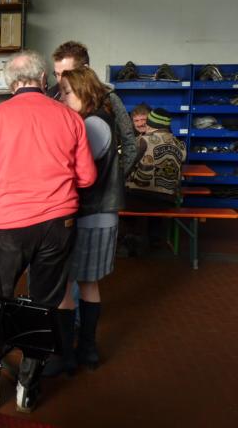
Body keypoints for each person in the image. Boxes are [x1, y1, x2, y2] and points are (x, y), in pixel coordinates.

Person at [0, 50, 97, 413]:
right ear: (43, 80)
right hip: (59, 224)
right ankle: (28, 385)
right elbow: (87, 177)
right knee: (46, 303)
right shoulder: (69, 117)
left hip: (11, 225)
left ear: (10, 83)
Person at [44, 66, 125, 378]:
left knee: (66, 284)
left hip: (88, 214)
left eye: (67, 92)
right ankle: (87, 351)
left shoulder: (91, 124)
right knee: (88, 283)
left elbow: (75, 170)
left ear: (84, 91)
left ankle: (66, 356)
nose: (62, 98)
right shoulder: (102, 119)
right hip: (101, 215)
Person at [49, 41, 137, 176]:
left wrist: (115, 178)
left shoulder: (109, 99)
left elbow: (129, 144)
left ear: (85, 70)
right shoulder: (51, 98)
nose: (61, 81)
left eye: (66, 74)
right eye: (57, 74)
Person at [122, 108, 187, 254]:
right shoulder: (180, 144)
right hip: (167, 201)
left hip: (138, 200)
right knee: (156, 193)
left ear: (150, 123)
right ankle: (155, 238)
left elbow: (126, 166)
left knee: (122, 195)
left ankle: (132, 239)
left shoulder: (142, 140)